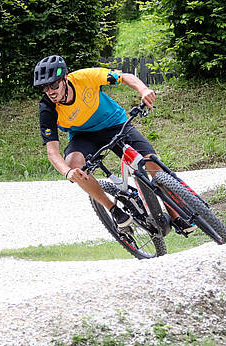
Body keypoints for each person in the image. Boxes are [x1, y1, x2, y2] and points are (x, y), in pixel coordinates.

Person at [33, 55, 196, 232]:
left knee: (152, 164)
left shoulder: (85, 77)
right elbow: (52, 152)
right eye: (44, 88)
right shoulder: (48, 108)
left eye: (54, 85)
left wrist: (143, 90)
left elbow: (124, 76)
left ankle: (176, 215)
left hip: (115, 124)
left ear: (65, 79)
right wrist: (68, 172)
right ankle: (113, 209)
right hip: (83, 135)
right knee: (74, 165)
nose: (50, 91)